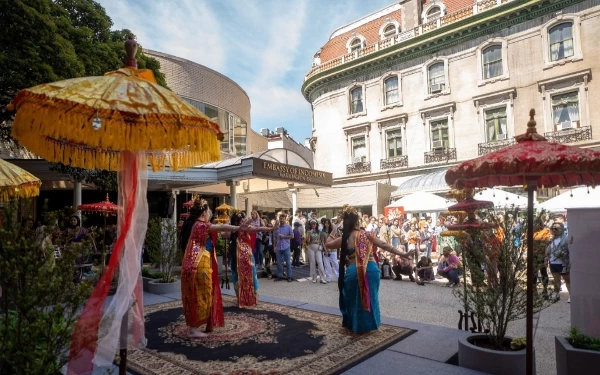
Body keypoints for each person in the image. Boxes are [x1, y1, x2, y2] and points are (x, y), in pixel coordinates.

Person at [325, 204, 414, 333]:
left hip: (354, 270)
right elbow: (384, 244)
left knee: (353, 299)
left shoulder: (345, 238)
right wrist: (403, 254)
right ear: (357, 222)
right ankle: (370, 325)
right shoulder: (366, 235)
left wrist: (334, 229)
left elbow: (327, 245)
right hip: (372, 269)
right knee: (370, 296)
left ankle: (355, 325)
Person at [181, 200, 250, 338]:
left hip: (194, 262)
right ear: (204, 212)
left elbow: (222, 230)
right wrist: (237, 228)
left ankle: (198, 325)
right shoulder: (201, 225)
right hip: (198, 264)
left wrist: (237, 227)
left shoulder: (196, 224)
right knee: (203, 294)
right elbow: (220, 227)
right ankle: (193, 329)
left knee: (199, 293)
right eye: (208, 211)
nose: (210, 214)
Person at [229, 213, 272, 308]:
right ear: (239, 222)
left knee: (252, 276)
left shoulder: (246, 228)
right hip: (237, 257)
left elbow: (258, 229)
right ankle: (240, 298)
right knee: (237, 277)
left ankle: (253, 298)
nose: (244, 221)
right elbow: (224, 234)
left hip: (247, 257)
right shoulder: (233, 229)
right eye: (242, 220)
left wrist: (270, 229)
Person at [546, 222, 570, 302]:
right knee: (556, 279)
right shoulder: (551, 239)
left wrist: (565, 258)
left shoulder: (566, 238)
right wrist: (546, 259)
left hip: (563, 263)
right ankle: (556, 293)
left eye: (556, 228)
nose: (554, 230)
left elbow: (570, 251)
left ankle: (571, 295)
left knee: (567, 280)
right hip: (553, 263)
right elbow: (548, 250)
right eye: (552, 228)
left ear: (562, 229)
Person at [273, 214, 294, 282]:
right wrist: (274, 246)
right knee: (279, 263)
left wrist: (284, 237)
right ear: (279, 219)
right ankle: (280, 276)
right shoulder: (276, 228)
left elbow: (292, 236)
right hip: (278, 247)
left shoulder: (288, 227)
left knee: (288, 263)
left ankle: (289, 276)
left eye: (283, 219)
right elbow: (275, 238)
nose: (281, 220)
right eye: (280, 219)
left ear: (285, 219)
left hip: (286, 247)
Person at [305, 219, 327, 283]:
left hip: (318, 248)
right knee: (312, 262)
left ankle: (322, 277)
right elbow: (308, 241)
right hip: (311, 247)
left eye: (314, 224)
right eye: (312, 224)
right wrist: (309, 234)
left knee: (320, 262)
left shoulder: (319, 232)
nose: (313, 225)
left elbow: (322, 241)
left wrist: (324, 249)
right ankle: (314, 277)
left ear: (316, 224)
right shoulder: (308, 231)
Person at [321, 218, 339, 282]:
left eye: (328, 223)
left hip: (333, 249)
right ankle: (329, 277)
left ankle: (339, 276)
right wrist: (325, 250)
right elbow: (322, 242)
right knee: (327, 264)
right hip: (325, 250)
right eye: (326, 223)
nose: (327, 224)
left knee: (335, 263)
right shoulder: (322, 232)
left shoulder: (334, 232)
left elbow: (337, 239)